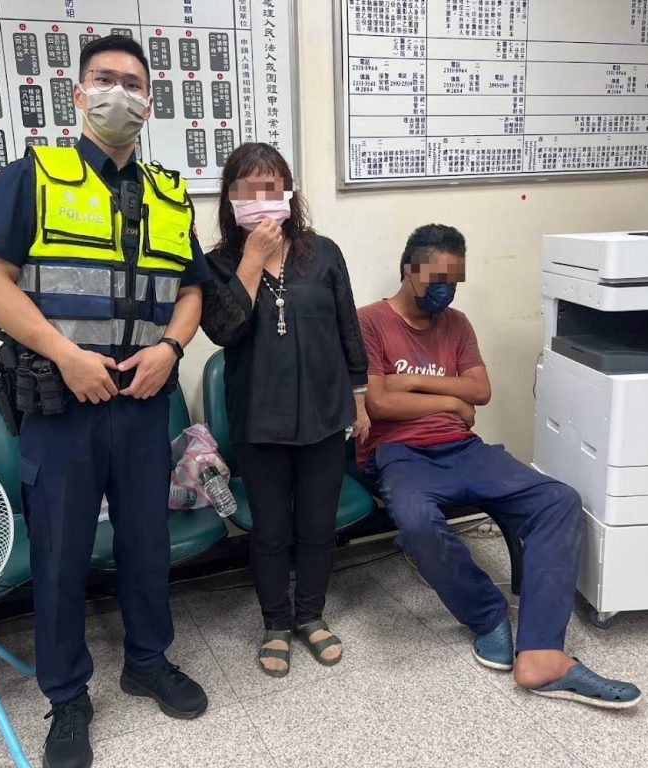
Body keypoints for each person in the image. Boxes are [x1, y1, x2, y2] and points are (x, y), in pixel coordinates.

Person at [0, 36, 209, 768]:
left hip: (142, 401)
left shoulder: (169, 194)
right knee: (61, 554)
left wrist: (171, 349)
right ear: (78, 93)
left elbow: (192, 289)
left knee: (147, 543)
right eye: (105, 79)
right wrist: (65, 354)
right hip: (61, 404)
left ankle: (147, 662)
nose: (120, 94)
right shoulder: (32, 177)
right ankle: (67, 696)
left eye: (134, 84)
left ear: (150, 104)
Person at [357, 224, 642, 710]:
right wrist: (452, 398)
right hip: (400, 452)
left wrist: (419, 388)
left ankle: (542, 653)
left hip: (463, 446)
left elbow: (481, 393)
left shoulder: (457, 324)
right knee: (418, 524)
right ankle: (488, 614)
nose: (446, 290)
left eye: (454, 280)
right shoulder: (369, 322)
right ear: (408, 270)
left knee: (558, 501)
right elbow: (380, 403)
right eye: (437, 279)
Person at [200, 143, 370, 678]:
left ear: (288, 193)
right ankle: (275, 622)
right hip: (260, 420)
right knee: (271, 530)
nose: (261, 197)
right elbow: (224, 330)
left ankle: (310, 616)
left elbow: (348, 329)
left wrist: (359, 398)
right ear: (231, 198)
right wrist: (251, 261)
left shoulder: (323, 253)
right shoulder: (216, 264)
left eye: (271, 186)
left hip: (324, 414)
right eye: (248, 188)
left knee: (318, 525)